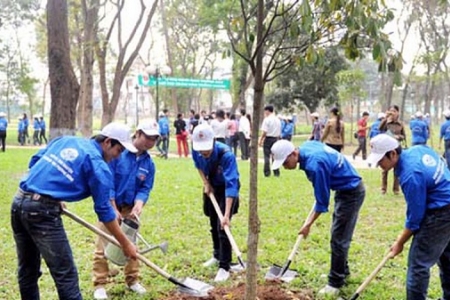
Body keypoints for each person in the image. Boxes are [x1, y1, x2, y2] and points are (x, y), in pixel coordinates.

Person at [11, 122, 138, 300]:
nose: (118, 157)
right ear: (108, 142)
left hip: (18, 203)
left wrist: (52, 195)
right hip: (42, 214)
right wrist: (125, 244)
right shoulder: (99, 166)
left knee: (28, 270)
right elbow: (104, 211)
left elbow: (35, 161)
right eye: (119, 151)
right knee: (66, 275)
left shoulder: (66, 140)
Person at [271, 139, 365, 296]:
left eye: (285, 162)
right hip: (344, 189)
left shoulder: (315, 165)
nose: (285, 167)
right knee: (339, 235)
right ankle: (342, 271)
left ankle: (335, 282)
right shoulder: (307, 146)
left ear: (294, 153)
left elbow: (322, 203)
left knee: (339, 238)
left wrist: (307, 224)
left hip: (352, 193)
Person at [367, 134, 450, 300]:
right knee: (447, 257)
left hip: (441, 213)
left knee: (418, 265)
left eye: (380, 160)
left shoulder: (410, 174)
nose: (378, 165)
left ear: (393, 154)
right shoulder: (418, 149)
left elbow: (415, 219)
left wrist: (399, 243)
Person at [92, 120, 159, 299]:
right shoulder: (118, 153)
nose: (150, 142)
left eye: (154, 139)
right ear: (137, 133)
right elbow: (107, 180)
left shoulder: (149, 164)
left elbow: (145, 188)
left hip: (130, 209)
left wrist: (139, 204)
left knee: (131, 245)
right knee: (104, 244)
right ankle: (99, 284)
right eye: (147, 137)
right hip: (109, 204)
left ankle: (132, 280)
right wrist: (113, 207)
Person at [191, 123, 241, 282]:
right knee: (213, 224)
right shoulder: (196, 149)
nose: (204, 152)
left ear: (213, 141)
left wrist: (226, 215)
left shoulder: (226, 155)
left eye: (207, 148)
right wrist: (206, 183)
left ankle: (224, 267)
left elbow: (232, 185)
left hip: (227, 191)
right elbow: (198, 165)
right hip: (211, 186)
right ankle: (217, 255)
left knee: (222, 226)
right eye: (201, 149)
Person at [378, 105, 405, 195]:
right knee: (385, 169)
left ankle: (396, 189)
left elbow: (403, 136)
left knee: (396, 169)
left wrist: (398, 137)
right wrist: (385, 118)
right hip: (387, 147)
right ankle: (383, 188)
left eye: (394, 111)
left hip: (396, 147)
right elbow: (380, 128)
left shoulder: (400, 124)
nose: (392, 113)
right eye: (391, 111)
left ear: (398, 113)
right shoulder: (386, 123)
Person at [258, 105, 281, 177]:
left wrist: (261, 140)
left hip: (268, 139)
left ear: (267, 111)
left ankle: (267, 172)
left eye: (265, 111)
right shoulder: (278, 120)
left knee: (266, 156)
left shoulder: (267, 119)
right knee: (275, 156)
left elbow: (264, 132)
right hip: (275, 139)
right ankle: (276, 172)